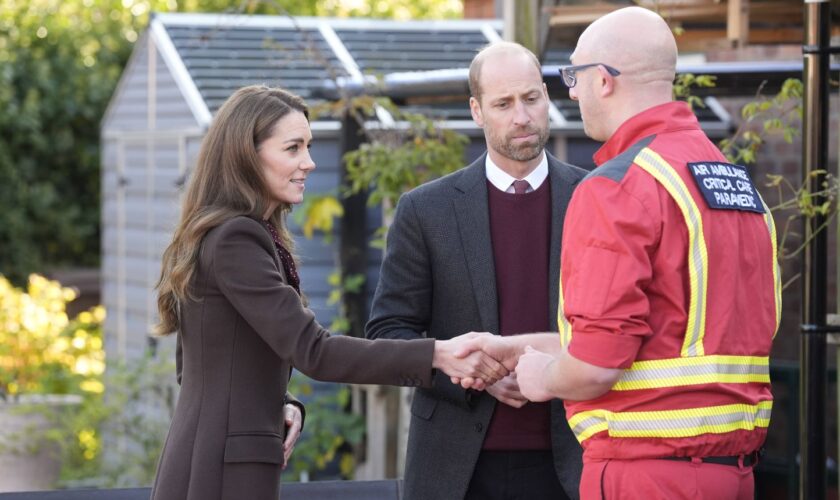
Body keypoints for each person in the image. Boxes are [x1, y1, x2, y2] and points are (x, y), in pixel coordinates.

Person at [457, 7, 781, 500]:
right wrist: (524, 346)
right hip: (731, 470)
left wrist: (543, 377)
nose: (571, 91)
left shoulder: (619, 186)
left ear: (603, 81)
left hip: (647, 469)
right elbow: (665, 335)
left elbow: (595, 366)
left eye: (574, 76)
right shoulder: (731, 181)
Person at [149, 85, 508, 500]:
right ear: (247, 155)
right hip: (221, 474)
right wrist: (438, 355)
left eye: (309, 146)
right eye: (293, 148)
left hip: (209, 463)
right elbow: (315, 352)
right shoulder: (237, 239)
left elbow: (201, 366)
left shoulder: (232, 233)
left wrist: (281, 403)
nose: (309, 162)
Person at [365, 41, 587, 500]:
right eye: (503, 104)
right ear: (476, 111)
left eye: (531, 98)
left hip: (574, 457)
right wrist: (476, 374)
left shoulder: (595, 198)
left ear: (547, 98)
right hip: (456, 465)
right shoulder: (426, 210)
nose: (521, 117)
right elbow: (389, 332)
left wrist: (549, 372)